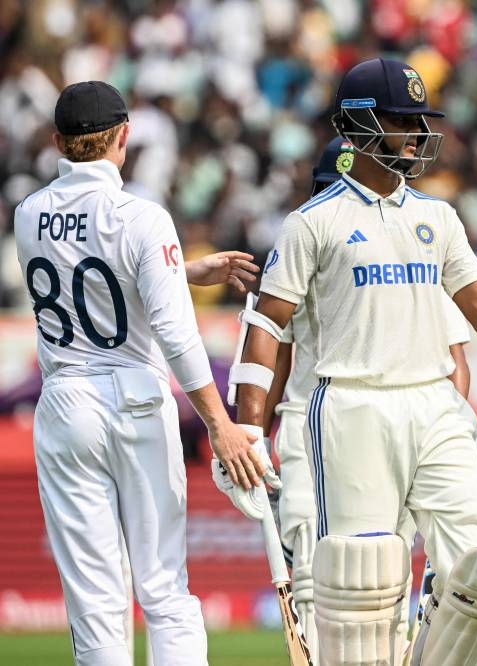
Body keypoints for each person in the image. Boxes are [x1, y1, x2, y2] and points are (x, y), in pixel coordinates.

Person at [230, 57, 477, 666]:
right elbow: (267, 325)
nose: (419, 134)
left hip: (432, 403)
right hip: (350, 406)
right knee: (362, 589)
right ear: (359, 124)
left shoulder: (437, 217)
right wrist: (247, 428)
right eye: (403, 121)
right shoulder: (312, 222)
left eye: (421, 121)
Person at [13, 80, 271, 666]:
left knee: (96, 601)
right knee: (163, 589)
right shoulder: (143, 217)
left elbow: (90, 273)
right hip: (136, 398)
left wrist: (183, 270)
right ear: (124, 137)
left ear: (57, 142)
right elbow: (174, 331)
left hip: (66, 404)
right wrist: (220, 424)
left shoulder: (28, 215)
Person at [249, 136, 477, 660]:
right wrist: (252, 434)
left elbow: (455, 356)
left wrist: (460, 420)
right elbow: (275, 357)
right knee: (329, 586)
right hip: (313, 421)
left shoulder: (410, 244)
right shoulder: (308, 239)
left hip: (403, 419)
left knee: (383, 585)